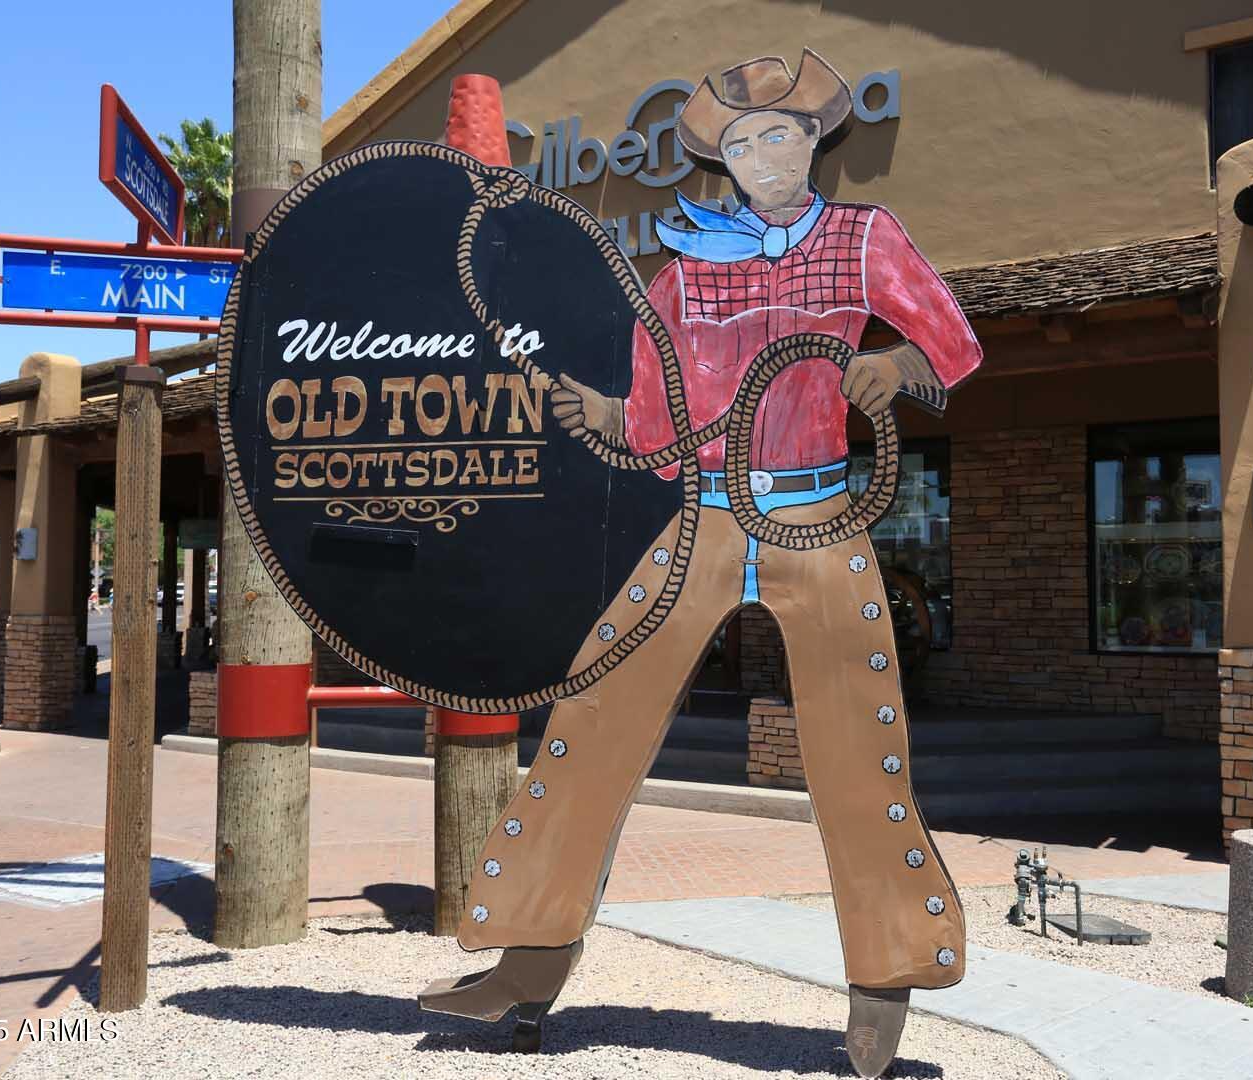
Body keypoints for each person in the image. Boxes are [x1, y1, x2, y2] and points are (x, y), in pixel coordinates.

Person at [420, 50, 982, 1076]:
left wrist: (892, 365)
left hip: (818, 519)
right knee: (590, 723)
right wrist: (583, 410)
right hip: (703, 518)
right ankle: (527, 964)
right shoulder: (686, 270)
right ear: (722, 158)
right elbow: (650, 422)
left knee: (862, 758)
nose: (765, 154)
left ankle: (883, 995)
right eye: (743, 141)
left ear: (815, 140)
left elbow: (952, 342)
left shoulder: (865, 239)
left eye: (781, 134)